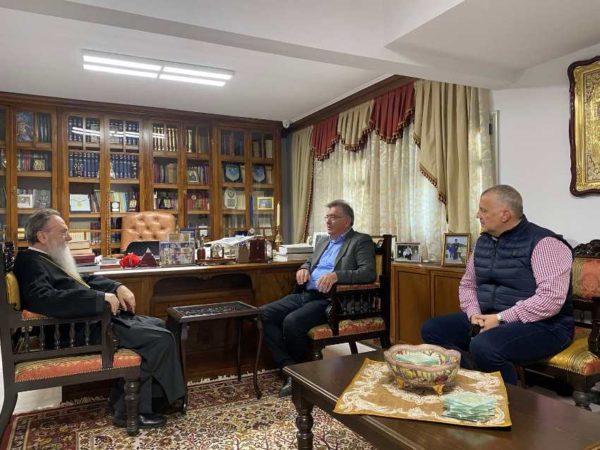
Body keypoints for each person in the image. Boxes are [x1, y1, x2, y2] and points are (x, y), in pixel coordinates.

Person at [13, 209, 187, 429]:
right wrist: (98, 299)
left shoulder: (45, 259)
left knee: (159, 325)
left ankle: (143, 401)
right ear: (42, 236)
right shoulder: (29, 262)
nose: (69, 237)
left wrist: (116, 286)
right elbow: (44, 300)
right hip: (74, 331)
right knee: (157, 339)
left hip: (88, 322)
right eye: (63, 232)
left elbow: (83, 280)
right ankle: (132, 410)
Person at [421, 185, 574, 384]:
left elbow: (550, 299)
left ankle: (508, 397)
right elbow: (468, 284)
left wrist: (501, 318)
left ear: (505, 215)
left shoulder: (545, 243)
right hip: (489, 316)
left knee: (485, 346)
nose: (478, 215)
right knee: (432, 329)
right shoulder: (483, 242)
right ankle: (475, 381)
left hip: (546, 325)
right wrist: (474, 314)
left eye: (483, 210)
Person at [261, 200, 376, 397]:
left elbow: (368, 273)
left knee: (292, 322)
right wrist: (304, 268)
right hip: (305, 293)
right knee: (263, 314)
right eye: (327, 217)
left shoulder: (360, 241)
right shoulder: (323, 241)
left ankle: (298, 375)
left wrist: (337, 275)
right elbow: (309, 261)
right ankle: (290, 368)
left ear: (347, 221)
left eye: (334, 217)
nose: (328, 221)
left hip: (331, 300)